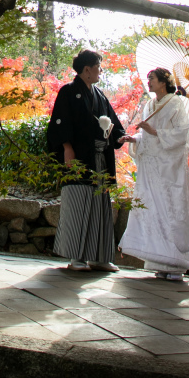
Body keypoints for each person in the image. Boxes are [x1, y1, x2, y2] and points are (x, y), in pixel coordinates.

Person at [119, 66, 189, 280]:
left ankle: (176, 265)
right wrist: (135, 139)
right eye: (148, 78)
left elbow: (182, 133)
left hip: (169, 168)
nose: (149, 82)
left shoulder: (175, 103)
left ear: (164, 82)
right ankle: (159, 261)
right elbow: (146, 136)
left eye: (152, 78)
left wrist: (155, 131)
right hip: (151, 167)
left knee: (171, 210)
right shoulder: (149, 105)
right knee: (152, 210)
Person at [46, 49, 129, 273]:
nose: (101, 70)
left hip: (100, 159)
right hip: (79, 157)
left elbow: (114, 123)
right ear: (87, 69)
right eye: (98, 66)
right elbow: (59, 123)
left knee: (100, 207)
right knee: (78, 203)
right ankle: (77, 257)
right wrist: (67, 148)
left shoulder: (100, 95)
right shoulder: (68, 91)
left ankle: (100, 257)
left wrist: (119, 135)